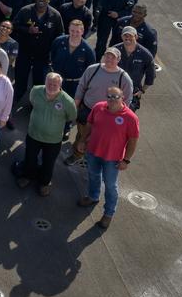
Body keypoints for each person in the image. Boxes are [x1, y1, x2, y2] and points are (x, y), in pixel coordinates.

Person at [77, 86, 139, 229]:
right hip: (93, 151)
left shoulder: (130, 118)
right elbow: (89, 124)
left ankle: (108, 214)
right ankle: (93, 196)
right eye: (109, 96)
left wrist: (126, 160)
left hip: (113, 158)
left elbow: (133, 140)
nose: (111, 100)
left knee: (111, 186)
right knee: (93, 175)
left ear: (122, 98)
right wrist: (82, 140)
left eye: (115, 97)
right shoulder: (99, 107)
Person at [15, 73, 76, 196]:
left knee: (48, 163)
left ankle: (44, 183)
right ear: (45, 82)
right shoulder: (36, 91)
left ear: (60, 85)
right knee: (30, 158)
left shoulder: (68, 101)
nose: (52, 86)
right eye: (49, 83)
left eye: (55, 84)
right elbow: (32, 101)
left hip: (53, 140)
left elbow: (72, 116)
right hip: (34, 134)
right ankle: (27, 176)